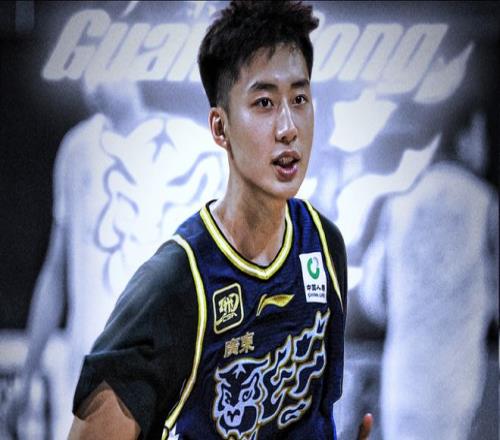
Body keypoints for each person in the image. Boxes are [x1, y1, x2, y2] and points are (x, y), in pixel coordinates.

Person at [69, 2, 372, 439]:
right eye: (264, 102)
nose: (288, 127)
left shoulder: (324, 245)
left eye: (300, 99)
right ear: (219, 127)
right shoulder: (174, 283)